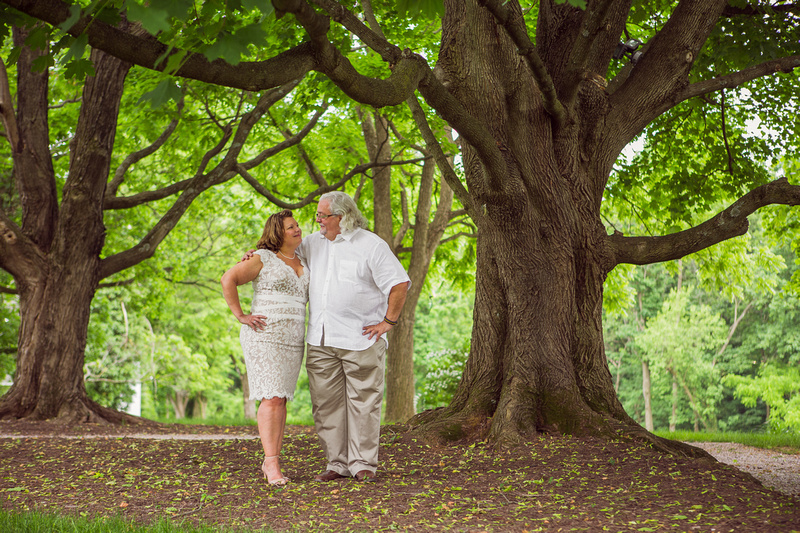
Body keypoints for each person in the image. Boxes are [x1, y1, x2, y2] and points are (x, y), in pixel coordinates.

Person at [301, 191, 410, 483]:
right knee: (326, 405)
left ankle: (362, 463)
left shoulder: (371, 245)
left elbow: (399, 283)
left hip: (360, 339)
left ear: (342, 217)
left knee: (364, 403)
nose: (318, 220)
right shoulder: (312, 243)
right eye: (318, 214)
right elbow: (282, 256)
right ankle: (336, 463)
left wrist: (388, 321)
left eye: (323, 215)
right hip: (321, 339)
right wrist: (256, 254)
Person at [221, 210, 308, 486]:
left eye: (297, 225)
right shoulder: (263, 258)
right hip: (264, 335)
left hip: (293, 339)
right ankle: (271, 463)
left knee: (280, 398)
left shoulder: (305, 259)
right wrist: (241, 315)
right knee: (271, 397)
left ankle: (272, 458)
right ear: (278, 233)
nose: (297, 229)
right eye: (291, 227)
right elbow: (228, 279)